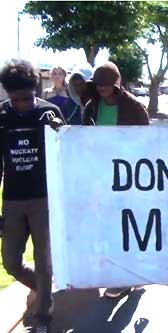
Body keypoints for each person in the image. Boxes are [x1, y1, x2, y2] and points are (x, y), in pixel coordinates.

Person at [0, 59, 65, 333]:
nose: (21, 105)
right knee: (11, 262)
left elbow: (68, 154)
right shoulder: (2, 116)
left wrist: (60, 129)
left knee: (44, 260)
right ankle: (42, 291)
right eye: (15, 100)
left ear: (35, 90)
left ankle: (42, 318)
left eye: (26, 99)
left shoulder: (50, 114)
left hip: (44, 200)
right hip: (13, 200)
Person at [82, 61, 149, 299]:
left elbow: (147, 143)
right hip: (101, 177)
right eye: (98, 85)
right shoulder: (91, 107)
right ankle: (122, 274)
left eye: (107, 85)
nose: (102, 89)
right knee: (108, 227)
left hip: (129, 177)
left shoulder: (134, 107)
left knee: (128, 226)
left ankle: (129, 276)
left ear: (116, 84)